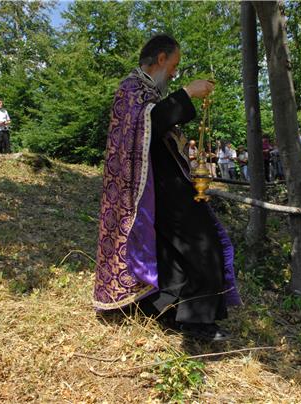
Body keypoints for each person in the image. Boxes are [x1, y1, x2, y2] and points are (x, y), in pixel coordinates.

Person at [93, 34, 240, 341]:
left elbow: (155, 126)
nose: (174, 72)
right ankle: (197, 323)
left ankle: (174, 312)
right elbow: (151, 123)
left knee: (180, 248)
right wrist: (187, 93)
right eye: (174, 65)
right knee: (201, 243)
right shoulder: (131, 88)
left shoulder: (146, 90)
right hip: (150, 189)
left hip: (166, 185)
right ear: (160, 59)